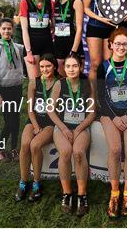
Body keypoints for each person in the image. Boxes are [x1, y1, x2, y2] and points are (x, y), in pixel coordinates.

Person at [96, 27, 127, 218]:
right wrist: (115, 116)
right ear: (111, 45)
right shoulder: (103, 67)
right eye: (118, 44)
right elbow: (100, 95)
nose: (121, 47)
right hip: (109, 113)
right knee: (115, 150)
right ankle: (115, 193)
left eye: (125, 44)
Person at [47, 54, 94, 216]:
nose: (71, 69)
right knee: (66, 152)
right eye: (68, 66)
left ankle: (82, 195)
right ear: (64, 68)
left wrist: (79, 129)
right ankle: (67, 193)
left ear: (80, 67)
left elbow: (92, 113)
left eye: (75, 66)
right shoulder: (60, 84)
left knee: (79, 153)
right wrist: (65, 129)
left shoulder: (87, 83)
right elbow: (50, 111)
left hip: (81, 126)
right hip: (62, 126)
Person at [16, 54, 59, 203]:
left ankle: (36, 182)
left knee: (35, 145)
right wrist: (35, 125)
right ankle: (23, 181)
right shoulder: (34, 82)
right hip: (34, 119)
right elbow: (30, 109)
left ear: (54, 66)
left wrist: (42, 128)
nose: (45, 69)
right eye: (42, 66)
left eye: (48, 66)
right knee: (25, 144)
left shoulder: (59, 83)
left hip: (50, 121)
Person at [0, 18, 25, 163]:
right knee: (9, 122)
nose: (7, 31)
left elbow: (22, 63)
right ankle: (1, 149)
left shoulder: (17, 48)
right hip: (4, 90)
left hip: (17, 88)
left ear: (13, 30)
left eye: (9, 28)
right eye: (4, 29)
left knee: (16, 120)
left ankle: (14, 148)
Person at [83, 0, 117, 83]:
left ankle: (105, 96)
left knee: (108, 64)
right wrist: (100, 18)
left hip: (110, 28)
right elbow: (86, 8)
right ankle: (93, 98)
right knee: (95, 64)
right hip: (95, 28)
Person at [19, 0, 55, 79]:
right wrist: (29, 52)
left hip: (47, 45)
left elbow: (54, 25)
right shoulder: (25, 2)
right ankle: (33, 96)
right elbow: (24, 30)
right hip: (32, 45)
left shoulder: (50, 3)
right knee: (34, 80)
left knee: (48, 78)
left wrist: (53, 28)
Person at [53, 0, 85, 76]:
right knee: (63, 78)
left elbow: (80, 28)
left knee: (77, 77)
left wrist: (74, 51)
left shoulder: (76, 1)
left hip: (73, 43)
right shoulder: (55, 1)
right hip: (59, 44)